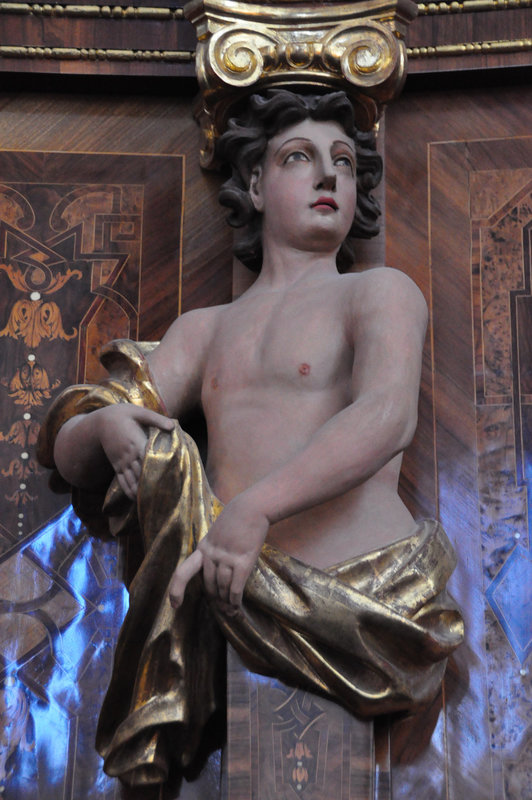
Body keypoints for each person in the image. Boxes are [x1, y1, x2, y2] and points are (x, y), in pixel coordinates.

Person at [39, 91, 464, 790]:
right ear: (259, 185)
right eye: (301, 158)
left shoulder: (381, 294)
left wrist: (253, 510)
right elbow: (74, 442)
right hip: (234, 601)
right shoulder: (206, 331)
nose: (330, 177)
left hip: (361, 600)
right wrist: (106, 423)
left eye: (345, 164)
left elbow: (386, 415)